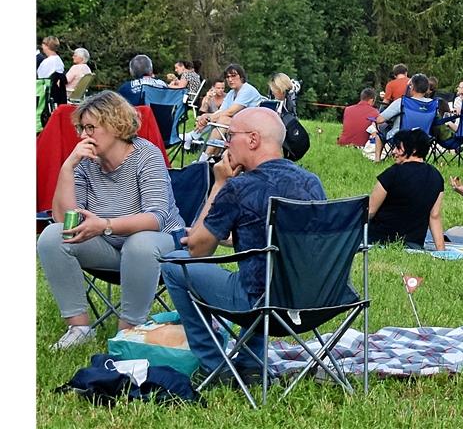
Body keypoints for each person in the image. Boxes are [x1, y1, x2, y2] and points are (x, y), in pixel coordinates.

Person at [161, 107, 325, 382]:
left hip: (262, 306)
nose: (225, 142)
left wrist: (219, 184)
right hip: (317, 303)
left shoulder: (240, 187)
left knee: (174, 265)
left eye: (230, 135)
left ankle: (214, 365)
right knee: (264, 270)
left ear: (252, 140)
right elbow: (283, 241)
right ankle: (250, 363)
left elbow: (198, 250)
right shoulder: (312, 183)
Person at [37, 91, 185, 350]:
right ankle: (79, 328)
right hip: (110, 246)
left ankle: (129, 331)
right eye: (82, 128)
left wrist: (105, 225)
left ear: (116, 125)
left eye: (91, 128)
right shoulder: (86, 163)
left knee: (140, 243)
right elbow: (65, 220)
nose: (84, 136)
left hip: (158, 247)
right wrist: (67, 168)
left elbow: (156, 217)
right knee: (53, 235)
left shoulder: (145, 155)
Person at [367, 129, 445, 249]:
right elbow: (434, 216)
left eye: (398, 148)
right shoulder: (436, 176)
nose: (394, 152)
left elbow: (370, 211)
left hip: (380, 239)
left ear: (413, 150)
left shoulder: (393, 173)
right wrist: (441, 250)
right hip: (413, 243)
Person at [194, 63, 261, 135]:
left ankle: (199, 140)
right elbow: (221, 111)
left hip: (252, 126)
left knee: (223, 119)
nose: (230, 79)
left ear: (241, 77)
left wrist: (209, 119)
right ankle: (193, 137)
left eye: (233, 76)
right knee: (205, 117)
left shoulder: (247, 90)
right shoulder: (231, 93)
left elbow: (230, 112)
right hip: (239, 124)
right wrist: (206, 117)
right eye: (227, 77)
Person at [376, 73, 434, 141]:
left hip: (401, 138)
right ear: (427, 88)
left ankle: (377, 152)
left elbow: (379, 120)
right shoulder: (432, 104)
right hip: (423, 139)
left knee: (380, 133)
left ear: (412, 88)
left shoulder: (402, 102)